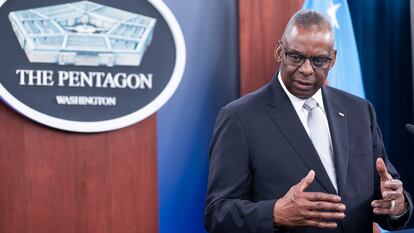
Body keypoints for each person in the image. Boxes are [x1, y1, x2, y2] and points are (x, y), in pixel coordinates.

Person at [204, 10, 413, 233]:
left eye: (318, 61)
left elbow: (386, 193)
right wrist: (275, 213)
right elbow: (217, 213)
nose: (306, 69)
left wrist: (397, 205)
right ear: (279, 52)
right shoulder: (239, 117)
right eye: (296, 57)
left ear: (332, 60)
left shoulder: (360, 111)